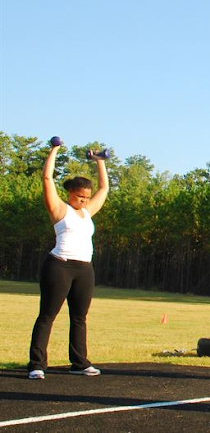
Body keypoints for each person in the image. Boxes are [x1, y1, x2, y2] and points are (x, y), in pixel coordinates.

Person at [27, 141, 109, 380]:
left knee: (79, 318)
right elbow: (47, 179)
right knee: (47, 315)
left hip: (84, 269)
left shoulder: (87, 213)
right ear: (70, 193)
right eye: (80, 196)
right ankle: (37, 365)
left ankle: (79, 363)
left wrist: (100, 162)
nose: (84, 200)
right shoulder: (59, 209)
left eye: (86, 197)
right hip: (59, 266)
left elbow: (104, 188)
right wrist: (54, 150)